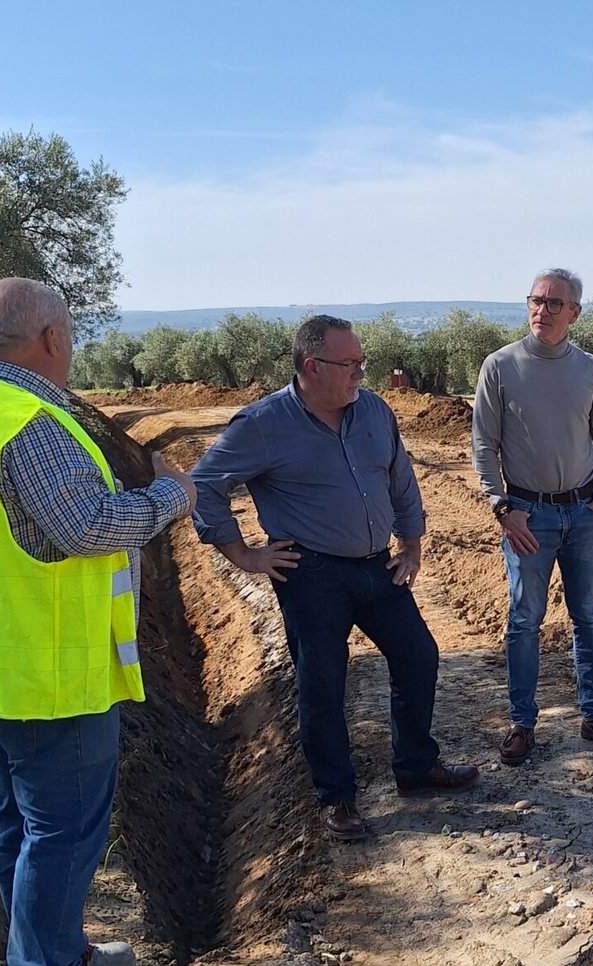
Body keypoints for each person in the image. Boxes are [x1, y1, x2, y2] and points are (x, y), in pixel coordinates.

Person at [0, 278, 196, 966]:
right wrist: (170, 498)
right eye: (68, 331)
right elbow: (89, 525)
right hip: (49, 672)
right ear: (48, 338)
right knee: (62, 834)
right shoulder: (26, 421)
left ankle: (50, 953)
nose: (72, 343)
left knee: (22, 823)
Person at [189, 313, 478, 841]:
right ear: (311, 366)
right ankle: (336, 799)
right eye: (350, 365)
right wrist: (244, 555)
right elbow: (204, 484)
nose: (360, 375)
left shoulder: (374, 411)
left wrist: (411, 544)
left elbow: (401, 479)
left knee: (418, 655)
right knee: (323, 682)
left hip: (376, 565)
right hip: (310, 574)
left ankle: (416, 767)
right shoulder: (261, 425)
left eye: (361, 363)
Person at [471, 268, 593, 765]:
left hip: (583, 516)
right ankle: (522, 723)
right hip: (526, 517)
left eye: (555, 303)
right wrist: (503, 509)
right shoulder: (500, 366)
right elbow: (483, 445)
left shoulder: (590, 369)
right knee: (523, 621)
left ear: (575, 313)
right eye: (536, 300)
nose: (543, 310)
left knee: (589, 616)